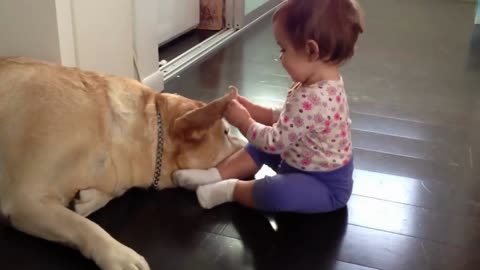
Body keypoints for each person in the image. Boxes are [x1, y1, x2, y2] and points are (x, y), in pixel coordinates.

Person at [173, 0, 364, 213]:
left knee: (274, 191)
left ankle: (230, 190)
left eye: (283, 49)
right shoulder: (322, 81)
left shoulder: (316, 99)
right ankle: (214, 175)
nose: (280, 58)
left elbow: (274, 142)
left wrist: (243, 121)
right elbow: (289, 119)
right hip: (297, 158)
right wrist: (254, 110)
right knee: (257, 146)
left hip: (323, 185)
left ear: (311, 50)